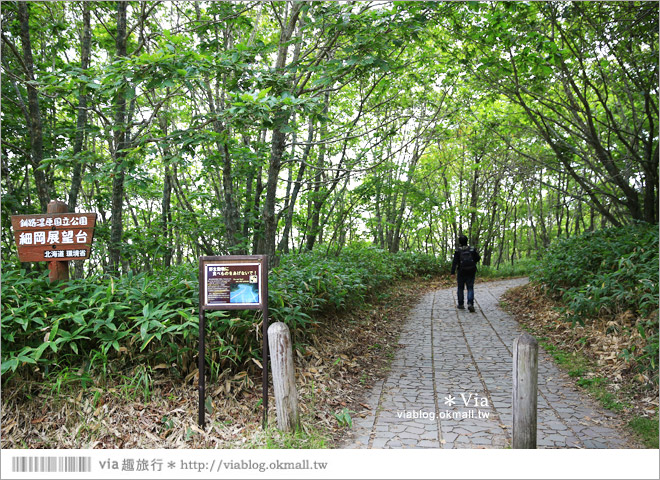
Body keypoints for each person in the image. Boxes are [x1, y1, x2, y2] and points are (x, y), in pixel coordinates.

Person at [450, 235, 481, 312]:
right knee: (470, 287)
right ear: (467, 241)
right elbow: (478, 258)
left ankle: (461, 304)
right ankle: (470, 303)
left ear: (459, 242)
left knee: (460, 287)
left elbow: (455, 262)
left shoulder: (458, 251)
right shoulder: (472, 249)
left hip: (461, 271)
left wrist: (452, 272)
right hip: (471, 271)